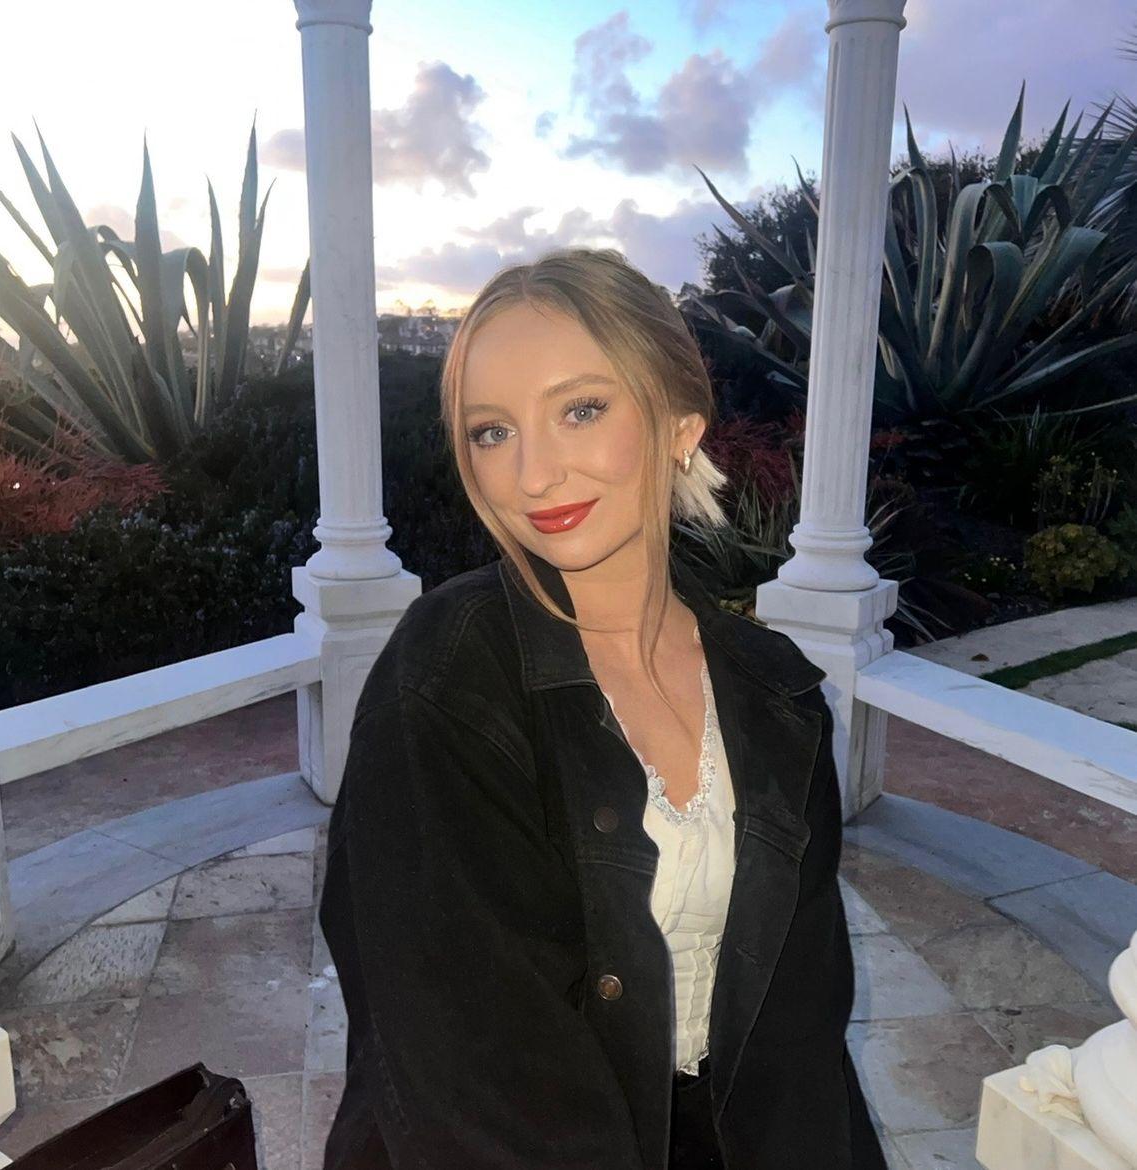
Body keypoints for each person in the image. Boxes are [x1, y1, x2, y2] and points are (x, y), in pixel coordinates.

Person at [317, 247, 888, 1169]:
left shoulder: (774, 695)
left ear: (679, 425)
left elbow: (801, 1039)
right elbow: (472, 1083)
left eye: (580, 410)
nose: (533, 474)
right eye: (491, 431)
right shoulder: (444, 681)